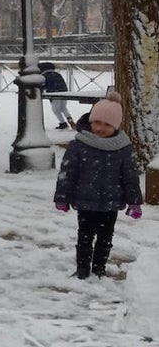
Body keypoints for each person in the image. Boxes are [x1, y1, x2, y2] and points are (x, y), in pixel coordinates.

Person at [54, 99, 143, 279]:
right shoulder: (79, 145)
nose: (100, 128)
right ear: (90, 121)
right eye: (97, 122)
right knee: (84, 237)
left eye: (107, 125)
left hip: (110, 203)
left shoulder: (122, 148)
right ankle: (82, 270)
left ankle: (99, 269)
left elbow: (130, 177)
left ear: (116, 126)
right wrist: (62, 197)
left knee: (105, 238)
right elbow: (67, 173)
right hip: (85, 202)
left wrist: (134, 202)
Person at [40, 62, 74, 130]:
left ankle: (63, 123)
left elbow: (44, 85)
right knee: (63, 108)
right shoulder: (57, 74)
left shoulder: (44, 76)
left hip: (54, 93)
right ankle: (69, 119)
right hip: (64, 92)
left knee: (56, 110)